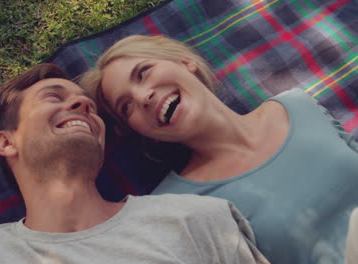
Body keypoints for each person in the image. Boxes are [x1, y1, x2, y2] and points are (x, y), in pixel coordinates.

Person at [0, 63, 269, 264]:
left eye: (90, 106)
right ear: (7, 142)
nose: (82, 102)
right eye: (53, 97)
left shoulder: (198, 218)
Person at [80, 35, 358, 264]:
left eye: (143, 73)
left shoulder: (296, 104)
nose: (143, 97)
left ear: (185, 62)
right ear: (139, 131)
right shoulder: (174, 206)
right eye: (126, 106)